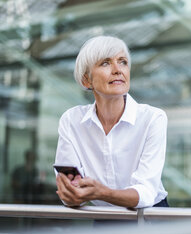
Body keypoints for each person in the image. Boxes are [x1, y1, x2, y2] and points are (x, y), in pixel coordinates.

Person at [54, 35, 168, 208]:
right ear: (87, 80)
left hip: (149, 216)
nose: (117, 70)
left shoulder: (152, 118)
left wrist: (103, 193)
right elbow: (70, 188)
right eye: (105, 63)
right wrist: (71, 194)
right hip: (104, 215)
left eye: (122, 62)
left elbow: (146, 192)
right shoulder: (71, 121)